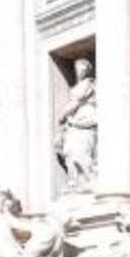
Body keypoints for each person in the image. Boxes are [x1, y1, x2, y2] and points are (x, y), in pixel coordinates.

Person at [55, 58, 97, 191]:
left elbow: (76, 102)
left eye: (83, 69)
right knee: (69, 150)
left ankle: (87, 180)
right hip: (75, 121)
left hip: (85, 118)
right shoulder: (79, 86)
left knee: (81, 150)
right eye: (78, 69)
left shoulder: (88, 84)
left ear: (87, 70)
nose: (80, 72)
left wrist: (63, 114)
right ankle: (75, 180)